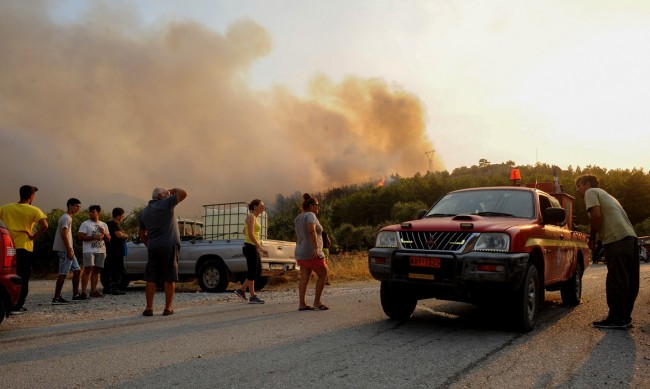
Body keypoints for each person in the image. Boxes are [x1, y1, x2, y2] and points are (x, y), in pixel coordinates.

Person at [575, 175, 639, 329]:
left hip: (616, 240)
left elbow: (596, 216)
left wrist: (592, 238)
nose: (578, 190)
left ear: (587, 184)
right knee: (629, 280)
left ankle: (616, 319)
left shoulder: (591, 192)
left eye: (579, 186)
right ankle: (624, 318)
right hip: (630, 238)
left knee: (616, 279)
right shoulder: (608, 195)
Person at [139, 187, 187, 316]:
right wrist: (172, 189)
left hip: (153, 247)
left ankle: (149, 308)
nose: (169, 195)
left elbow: (141, 233)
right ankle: (168, 307)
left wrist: (149, 244)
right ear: (160, 196)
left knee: (151, 277)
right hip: (169, 245)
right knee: (169, 277)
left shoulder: (144, 212)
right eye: (167, 194)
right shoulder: (165, 204)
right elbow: (183, 193)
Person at [0, 185, 48, 313]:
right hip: (24, 247)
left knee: (7, 275)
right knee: (23, 277)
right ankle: (17, 305)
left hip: (7, 247)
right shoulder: (34, 210)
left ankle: (6, 303)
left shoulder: (5, 208)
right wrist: (33, 236)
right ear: (31, 196)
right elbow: (45, 225)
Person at [294, 193, 329, 311]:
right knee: (323, 274)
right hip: (311, 251)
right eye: (317, 205)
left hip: (300, 251)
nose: (318, 207)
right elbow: (311, 231)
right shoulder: (311, 216)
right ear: (311, 205)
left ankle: (302, 304)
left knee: (305, 278)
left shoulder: (299, 217)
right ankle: (317, 302)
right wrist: (315, 248)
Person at [234, 199, 268, 304]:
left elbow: (245, 231)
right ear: (255, 206)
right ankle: (248, 294)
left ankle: (245, 292)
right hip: (250, 247)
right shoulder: (251, 217)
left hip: (252, 246)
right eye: (262, 206)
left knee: (255, 271)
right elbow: (250, 234)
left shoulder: (254, 218)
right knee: (254, 272)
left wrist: (256, 243)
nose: (263, 207)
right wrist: (260, 247)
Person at [52, 198, 83, 303]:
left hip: (69, 250)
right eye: (76, 206)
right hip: (65, 250)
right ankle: (56, 298)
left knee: (77, 270)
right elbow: (64, 235)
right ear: (70, 205)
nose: (78, 208)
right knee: (63, 273)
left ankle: (76, 294)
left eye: (79, 206)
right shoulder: (66, 218)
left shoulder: (68, 217)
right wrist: (69, 250)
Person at [78, 205, 110, 299]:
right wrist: (93, 237)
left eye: (93, 212)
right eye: (90, 212)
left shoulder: (104, 225)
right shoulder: (85, 224)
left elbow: (109, 239)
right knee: (87, 269)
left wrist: (103, 233)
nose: (91, 213)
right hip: (89, 250)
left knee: (96, 270)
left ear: (98, 213)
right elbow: (81, 237)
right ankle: (83, 292)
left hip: (101, 250)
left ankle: (93, 291)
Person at [104, 207, 128, 295]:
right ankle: (115, 288)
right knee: (117, 269)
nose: (123, 217)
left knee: (108, 269)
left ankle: (107, 288)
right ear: (118, 216)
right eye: (122, 216)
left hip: (109, 250)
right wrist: (125, 235)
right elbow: (119, 235)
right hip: (116, 251)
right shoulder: (115, 224)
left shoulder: (108, 223)